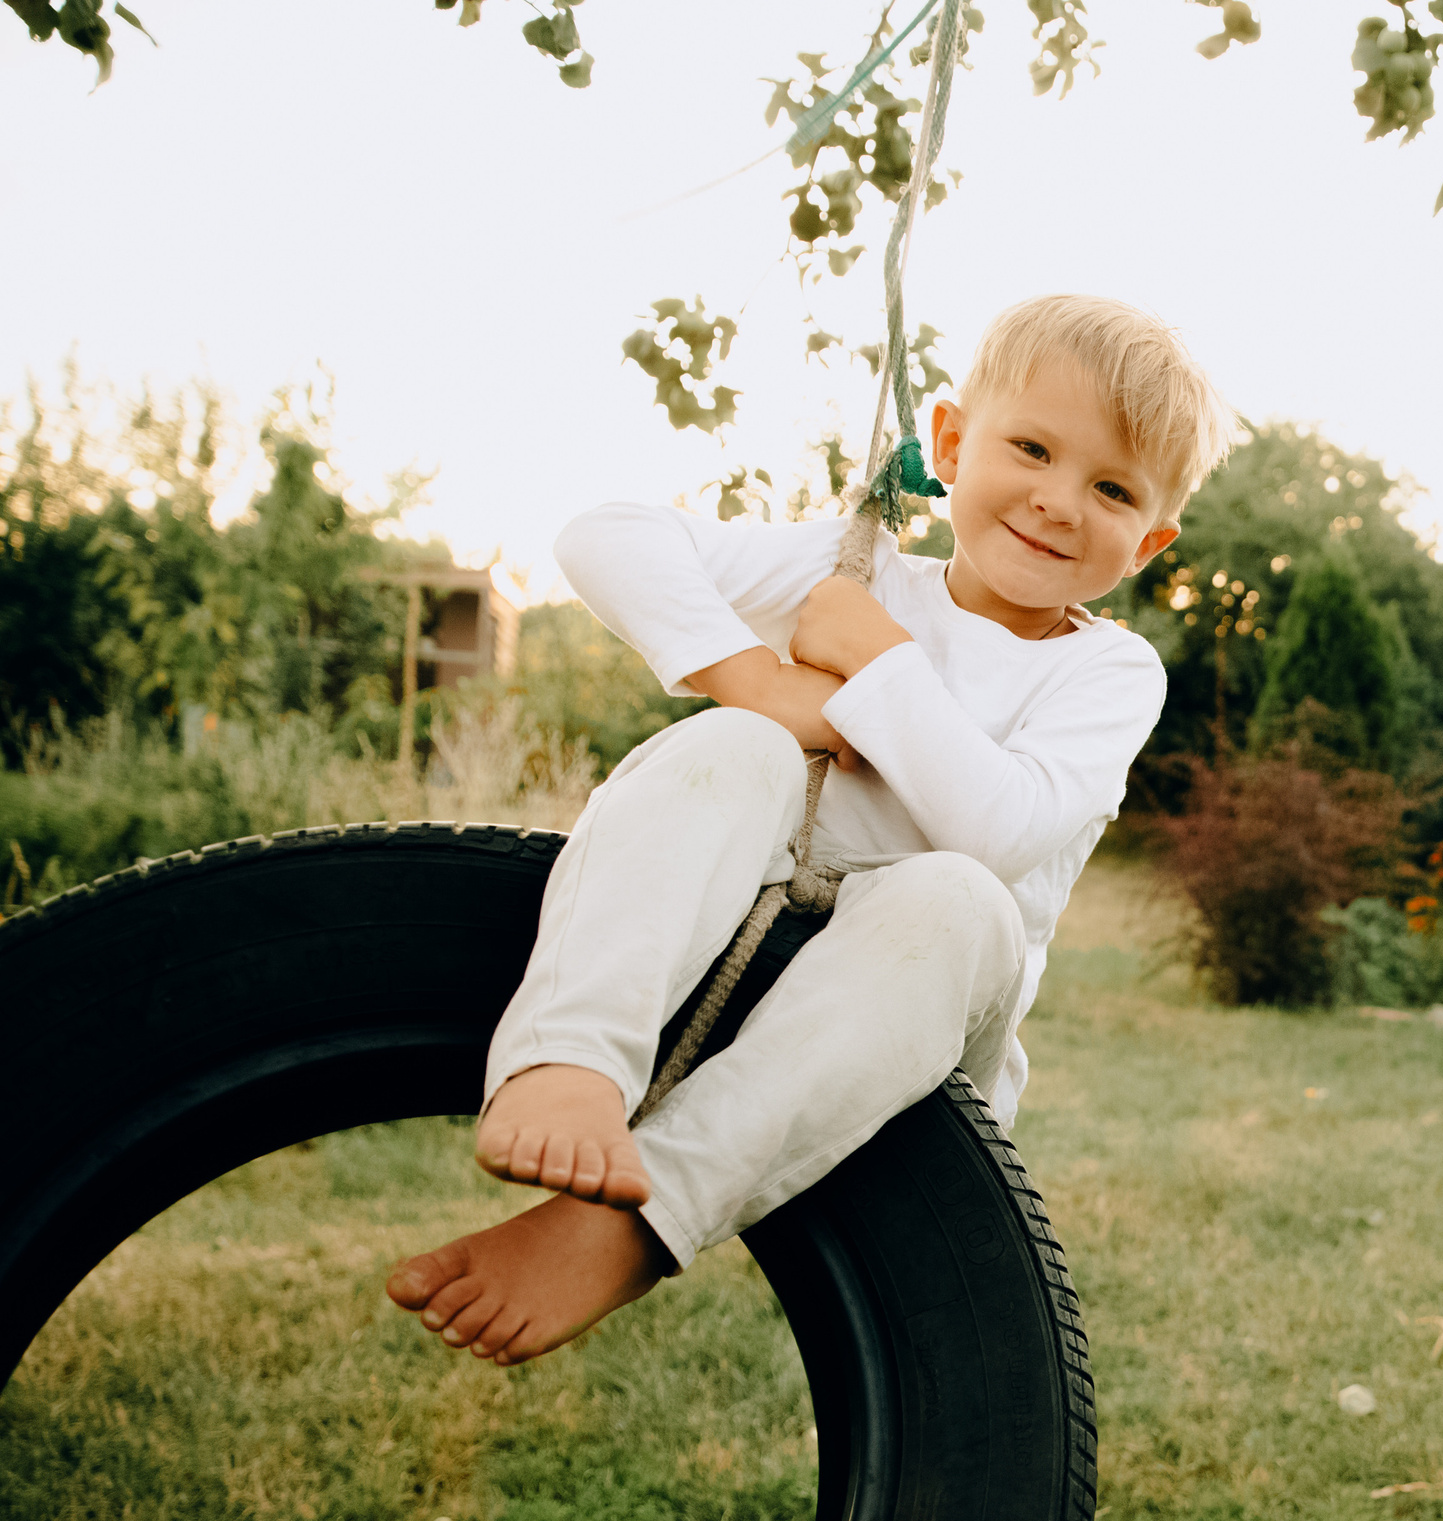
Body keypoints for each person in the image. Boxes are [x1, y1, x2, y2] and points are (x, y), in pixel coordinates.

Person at [384, 296, 1229, 1366]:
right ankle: (569, 1062)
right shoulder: (857, 569)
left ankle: (632, 1229)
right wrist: (755, 683)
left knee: (957, 896)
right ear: (951, 442)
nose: (1059, 501)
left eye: (1110, 489)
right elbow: (604, 536)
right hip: (744, 937)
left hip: (917, 1008)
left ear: (1150, 540)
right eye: (1031, 448)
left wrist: (875, 663)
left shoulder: (1106, 671)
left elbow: (999, 830)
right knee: (731, 748)